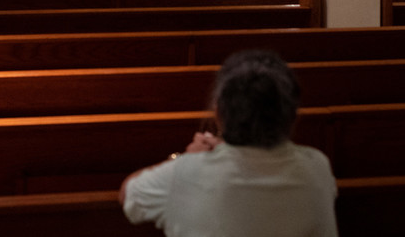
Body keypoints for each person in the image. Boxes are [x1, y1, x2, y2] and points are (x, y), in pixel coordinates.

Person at [120, 50, 338, 237]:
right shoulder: (317, 167)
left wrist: (183, 158)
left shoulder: (185, 173)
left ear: (218, 114)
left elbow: (127, 193)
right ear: (292, 116)